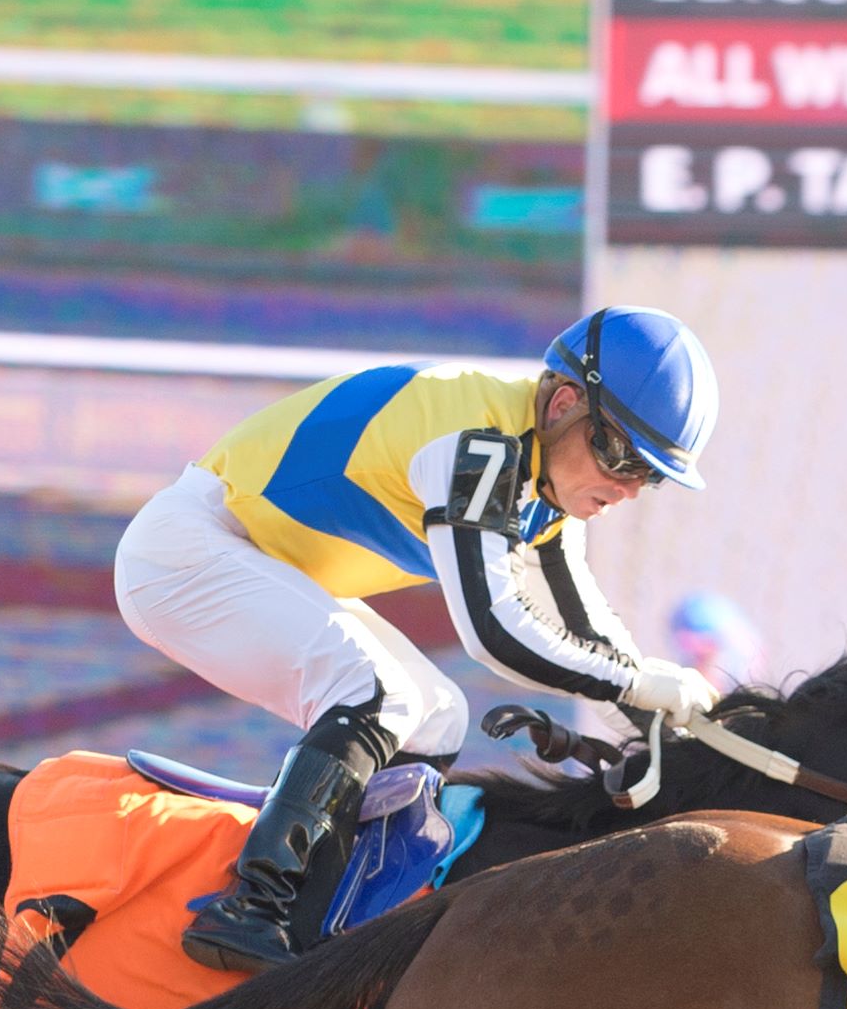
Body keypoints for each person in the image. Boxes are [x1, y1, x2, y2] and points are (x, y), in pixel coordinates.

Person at [116, 306, 723, 971]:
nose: (628, 488)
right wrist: (639, 684)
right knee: (378, 693)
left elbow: (588, 631)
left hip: (251, 559)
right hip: (187, 551)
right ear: (564, 402)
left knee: (436, 717)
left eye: (651, 474)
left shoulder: (544, 484)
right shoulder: (480, 442)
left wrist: (681, 728)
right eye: (621, 455)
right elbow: (494, 631)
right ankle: (255, 907)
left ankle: (334, 921)